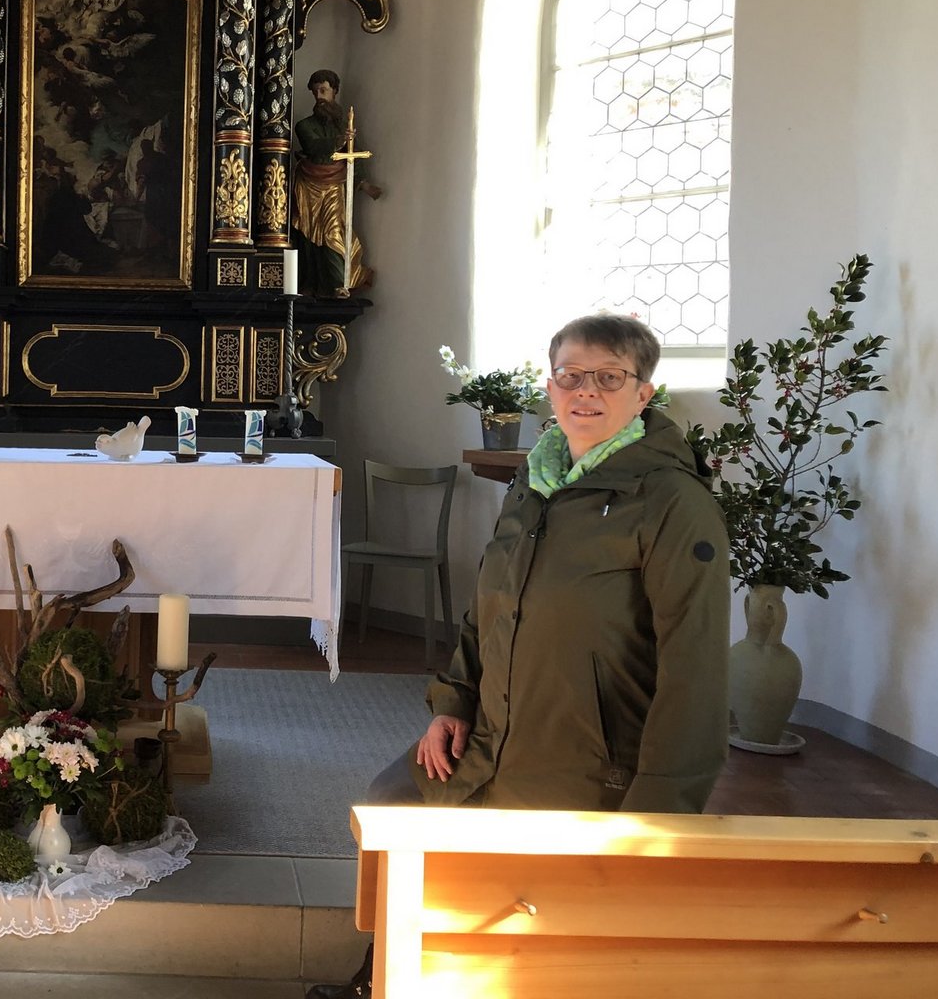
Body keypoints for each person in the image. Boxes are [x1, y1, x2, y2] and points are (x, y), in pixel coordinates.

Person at [307, 314, 730, 999]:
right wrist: (452, 703)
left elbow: (696, 671)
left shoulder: (671, 502)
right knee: (391, 805)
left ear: (643, 394)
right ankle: (383, 979)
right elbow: (490, 607)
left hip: (590, 759)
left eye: (609, 377)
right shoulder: (535, 481)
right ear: (550, 386)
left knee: (507, 890)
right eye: (571, 375)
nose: (586, 391)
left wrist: (655, 815)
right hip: (493, 736)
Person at [292, 68, 378, 297]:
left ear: (335, 91)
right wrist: (339, 141)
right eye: (315, 92)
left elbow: (353, 156)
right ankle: (312, 283)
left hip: (334, 186)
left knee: (333, 231)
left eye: (323, 90)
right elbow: (313, 146)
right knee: (309, 235)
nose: (319, 96)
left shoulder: (343, 126)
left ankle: (338, 283)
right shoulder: (304, 125)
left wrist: (363, 184)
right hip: (308, 185)